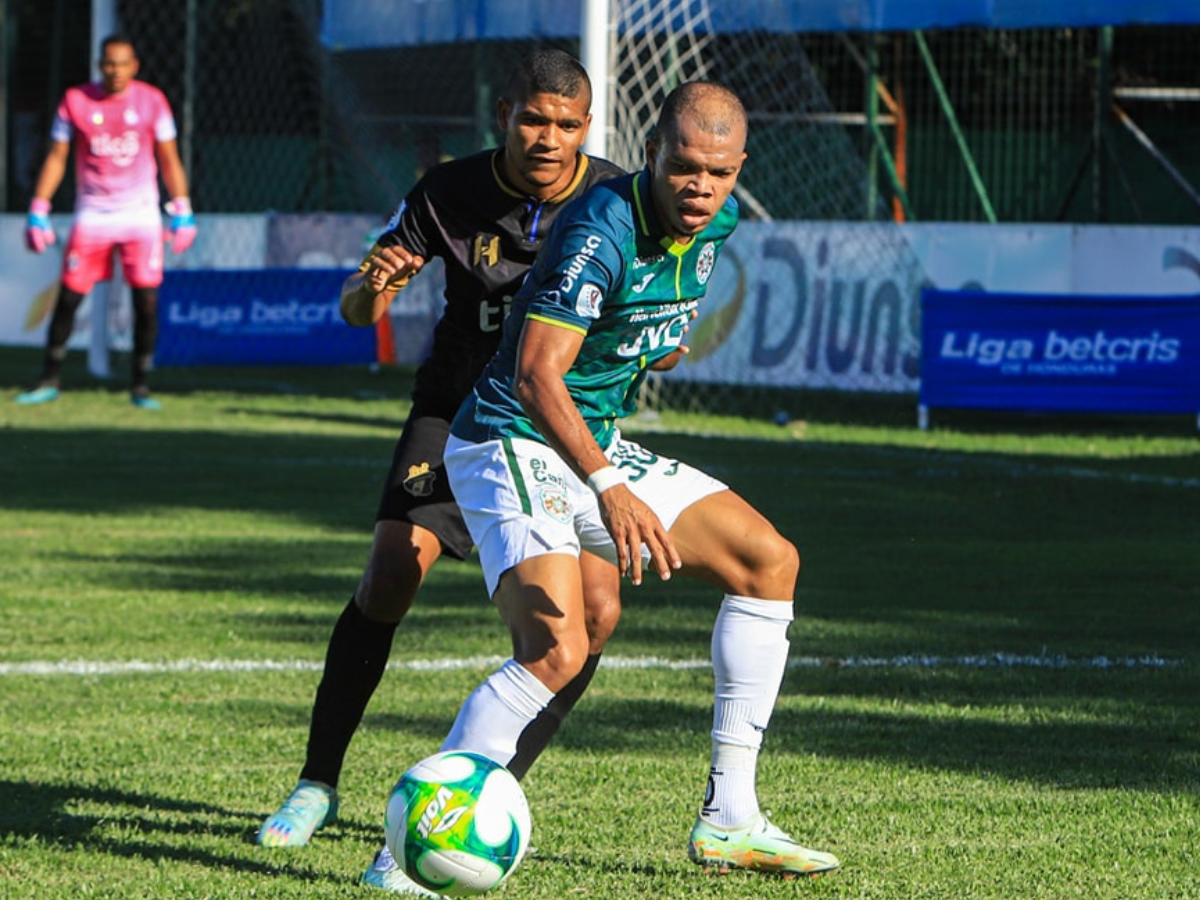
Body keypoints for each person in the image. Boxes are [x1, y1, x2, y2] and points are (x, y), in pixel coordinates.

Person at [439, 81, 841, 879]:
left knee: (770, 562)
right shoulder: (599, 228)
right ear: (651, 152)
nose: (701, 188)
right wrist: (608, 486)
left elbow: (648, 326)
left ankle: (730, 819)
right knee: (556, 647)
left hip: (596, 441)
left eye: (720, 173)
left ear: (739, 170)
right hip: (511, 439)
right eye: (685, 167)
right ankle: (416, 842)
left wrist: (652, 344)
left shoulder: (718, 220)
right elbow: (534, 377)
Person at [254, 50, 626, 894]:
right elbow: (357, 306)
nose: (550, 138)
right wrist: (371, 288)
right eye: (536, 119)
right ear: (504, 114)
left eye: (568, 124)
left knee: (595, 615)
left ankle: (488, 789)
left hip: (560, 426)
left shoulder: (610, 198)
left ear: (587, 128)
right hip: (458, 409)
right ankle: (316, 782)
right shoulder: (445, 193)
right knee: (390, 572)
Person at [17, 34, 196, 410]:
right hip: (94, 215)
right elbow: (56, 156)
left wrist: (182, 207)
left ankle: (141, 385)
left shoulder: (152, 102)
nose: (115, 71)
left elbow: (169, 158)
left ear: (134, 66)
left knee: (145, 301)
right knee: (69, 297)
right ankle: (49, 378)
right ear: (101, 66)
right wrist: (39, 206)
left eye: (122, 63)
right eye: (109, 63)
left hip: (141, 216)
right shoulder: (76, 101)